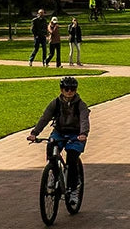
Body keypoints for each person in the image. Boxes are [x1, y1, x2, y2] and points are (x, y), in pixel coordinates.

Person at [27, 75, 89, 208]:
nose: (69, 92)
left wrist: (83, 133)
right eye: (66, 89)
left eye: (72, 89)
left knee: (72, 158)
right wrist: (34, 133)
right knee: (51, 148)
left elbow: (84, 120)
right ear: (61, 90)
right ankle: (54, 175)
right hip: (59, 132)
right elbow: (45, 118)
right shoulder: (55, 103)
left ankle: (73, 190)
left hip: (76, 135)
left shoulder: (80, 105)